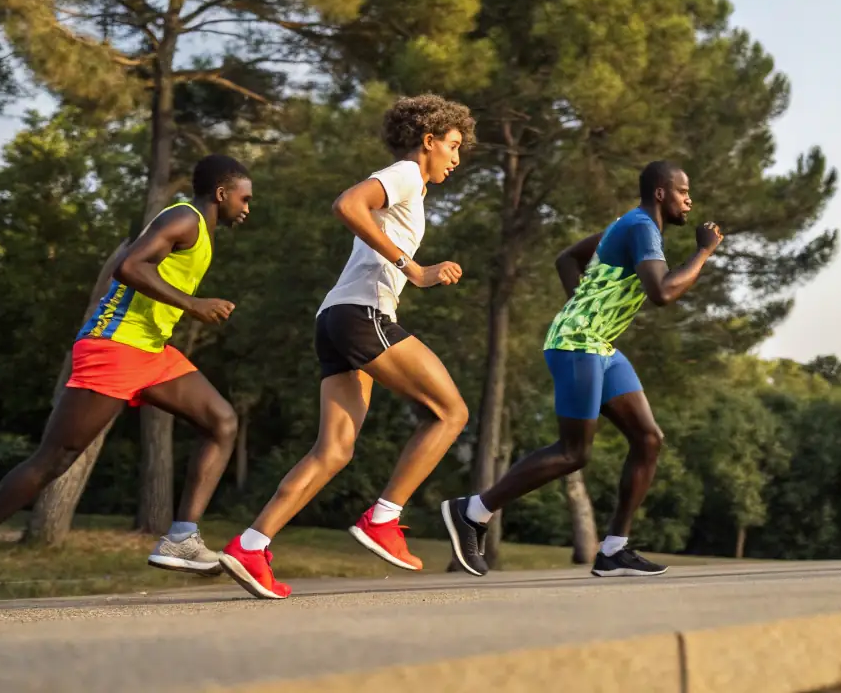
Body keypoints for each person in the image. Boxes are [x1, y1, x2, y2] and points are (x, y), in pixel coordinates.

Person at [0, 155, 252, 606]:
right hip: (114, 346)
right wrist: (194, 304)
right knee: (55, 459)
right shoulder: (184, 218)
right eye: (244, 198)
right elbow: (129, 266)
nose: (247, 207)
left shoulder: (202, 230)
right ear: (222, 193)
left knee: (222, 421)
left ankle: (182, 537)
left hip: (151, 351)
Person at [219, 94, 474, 600]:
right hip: (363, 315)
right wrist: (415, 270)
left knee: (334, 450)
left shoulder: (411, 188)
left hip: (336, 317)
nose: (457, 158)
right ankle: (384, 518)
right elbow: (347, 205)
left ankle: (251, 545)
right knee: (451, 412)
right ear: (428, 141)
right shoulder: (406, 173)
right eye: (453, 145)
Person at [441, 161, 723, 579]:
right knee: (574, 452)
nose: (690, 200)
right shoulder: (642, 227)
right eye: (683, 192)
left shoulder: (630, 225)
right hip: (576, 344)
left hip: (599, 345)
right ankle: (473, 511)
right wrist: (704, 252)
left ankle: (613, 550)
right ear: (661, 193)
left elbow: (567, 259)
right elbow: (662, 293)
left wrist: (585, 307)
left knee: (648, 439)